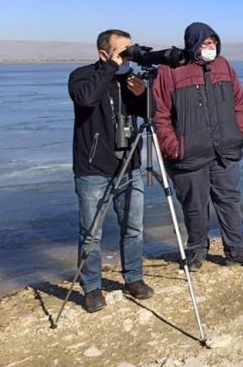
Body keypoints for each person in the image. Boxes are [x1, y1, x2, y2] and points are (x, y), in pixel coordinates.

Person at [153, 22, 243, 270]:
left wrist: (239, 132)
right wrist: (174, 147)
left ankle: (236, 249)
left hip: (225, 149)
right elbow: (159, 113)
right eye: (205, 43)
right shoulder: (170, 70)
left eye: (213, 42)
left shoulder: (223, 65)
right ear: (193, 44)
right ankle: (197, 249)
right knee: (194, 204)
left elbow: (238, 101)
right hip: (189, 152)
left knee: (229, 201)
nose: (210, 47)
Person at [68, 29, 155, 313]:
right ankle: (92, 287)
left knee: (133, 229)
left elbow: (151, 115)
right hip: (93, 169)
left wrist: (143, 96)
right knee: (91, 233)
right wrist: (110, 69)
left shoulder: (131, 81)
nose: (128, 56)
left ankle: (134, 278)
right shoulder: (82, 76)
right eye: (122, 51)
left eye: (131, 50)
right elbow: (86, 99)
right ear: (104, 54)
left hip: (130, 166)